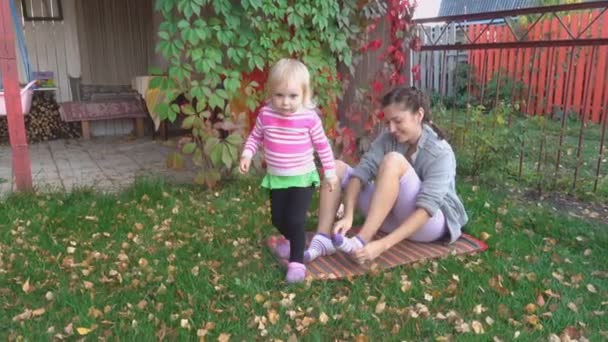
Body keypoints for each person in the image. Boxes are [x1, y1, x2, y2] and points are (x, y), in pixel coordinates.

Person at [303, 86, 468, 264]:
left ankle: (361, 241)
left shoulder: (440, 152)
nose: (391, 128)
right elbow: (361, 173)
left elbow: (426, 209)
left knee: (392, 161)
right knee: (336, 168)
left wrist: (382, 245)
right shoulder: (389, 137)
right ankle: (323, 239)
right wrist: (349, 214)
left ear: (418, 115)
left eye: (397, 121)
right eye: (388, 122)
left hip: (429, 224)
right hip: (393, 217)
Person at [239, 58, 339, 283]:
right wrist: (247, 154)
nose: (285, 102)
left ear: (304, 94)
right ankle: (293, 239)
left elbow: (323, 146)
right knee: (278, 218)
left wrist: (330, 173)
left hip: (302, 177)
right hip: (277, 178)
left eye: (293, 96)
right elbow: (255, 137)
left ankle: (296, 263)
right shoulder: (266, 115)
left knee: (295, 219)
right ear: (271, 93)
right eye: (279, 95)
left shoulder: (309, 118)